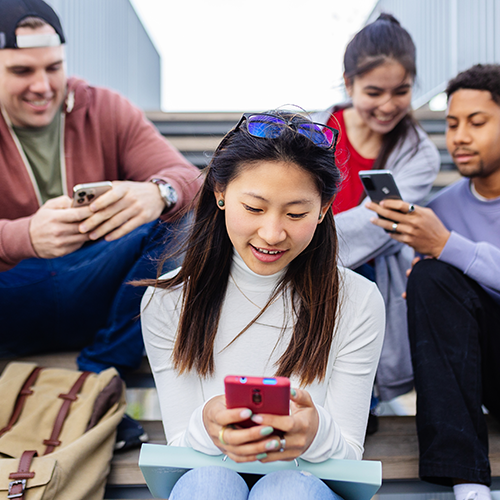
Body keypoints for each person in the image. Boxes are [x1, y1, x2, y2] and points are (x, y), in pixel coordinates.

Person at [141, 111, 385, 499]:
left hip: (307, 482)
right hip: (209, 473)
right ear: (219, 192)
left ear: (323, 210)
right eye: (254, 208)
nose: (272, 234)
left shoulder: (356, 300)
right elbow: (182, 449)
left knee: (289, 490)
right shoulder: (168, 300)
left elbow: (349, 452)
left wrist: (314, 431)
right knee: (207, 485)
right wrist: (207, 424)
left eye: (296, 213)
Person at [0, 0, 201, 448]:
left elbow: (192, 180)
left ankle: (96, 382)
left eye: (53, 67)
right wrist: (24, 235)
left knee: (179, 222)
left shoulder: (103, 107)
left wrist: (157, 193)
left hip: (91, 285)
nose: (41, 85)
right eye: (21, 71)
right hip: (11, 292)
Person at [367, 64, 500, 500]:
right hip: (491, 372)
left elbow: (451, 249)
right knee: (429, 275)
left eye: (477, 123)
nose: (459, 136)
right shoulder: (440, 208)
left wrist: (447, 245)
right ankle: (469, 484)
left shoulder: (440, 227)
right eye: (452, 124)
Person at [313, 13, 440, 410]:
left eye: (400, 91)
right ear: (348, 84)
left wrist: (308, 238)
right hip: (305, 270)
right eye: (373, 92)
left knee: (356, 275)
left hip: (363, 275)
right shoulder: (317, 133)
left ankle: (354, 407)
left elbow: (384, 225)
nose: (388, 105)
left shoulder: (419, 153)